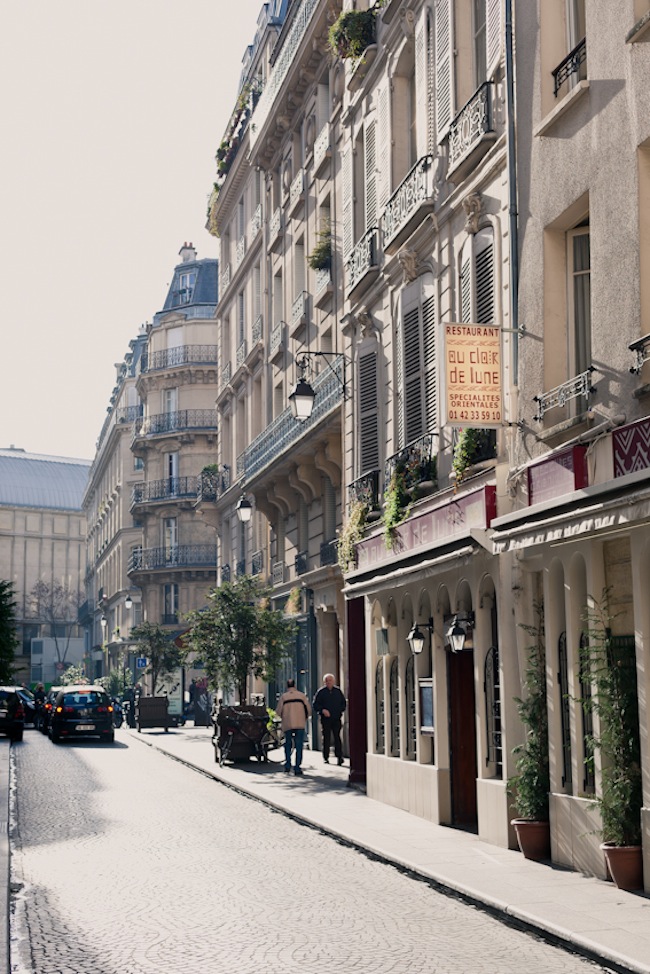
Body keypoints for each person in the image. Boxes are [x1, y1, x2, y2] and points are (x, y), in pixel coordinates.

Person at [276, 678, 311, 776]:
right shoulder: (301, 696)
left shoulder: (284, 697)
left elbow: (278, 711)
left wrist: (282, 717)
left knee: (288, 744)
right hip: (299, 723)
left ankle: (287, 764)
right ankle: (297, 767)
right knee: (299, 745)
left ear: (287, 686)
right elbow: (308, 709)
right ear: (295, 685)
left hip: (288, 723)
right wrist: (305, 717)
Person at [313, 673, 346, 766]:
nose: (328, 682)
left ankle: (339, 757)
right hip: (325, 719)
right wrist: (322, 710)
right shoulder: (321, 692)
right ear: (324, 682)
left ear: (333, 681)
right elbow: (315, 705)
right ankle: (326, 757)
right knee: (326, 738)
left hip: (336, 718)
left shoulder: (338, 691)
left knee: (337, 738)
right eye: (327, 681)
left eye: (330, 681)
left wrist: (339, 711)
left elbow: (343, 704)